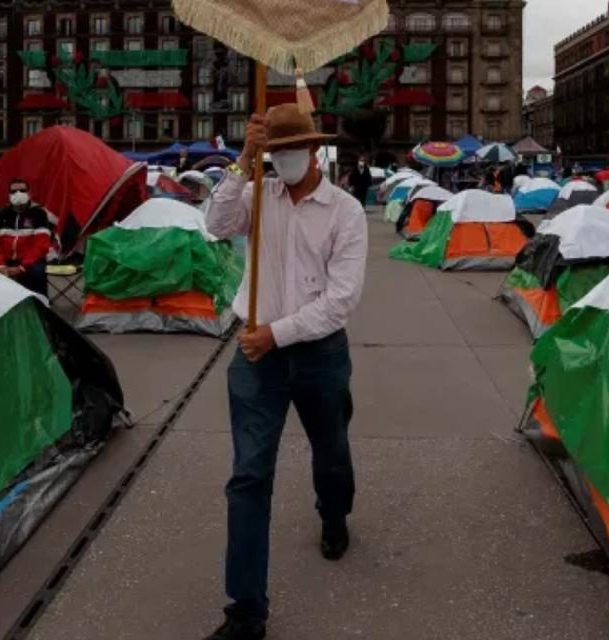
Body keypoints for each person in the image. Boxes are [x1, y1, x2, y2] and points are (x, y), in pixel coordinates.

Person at [201, 104, 368, 640]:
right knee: (248, 477)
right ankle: (246, 611)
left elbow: (341, 302)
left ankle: (334, 512)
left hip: (318, 354)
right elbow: (215, 224)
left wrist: (278, 332)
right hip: (256, 358)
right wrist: (242, 158)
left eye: (291, 151)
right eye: (274, 153)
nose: (283, 161)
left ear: (314, 150)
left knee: (332, 452)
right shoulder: (257, 194)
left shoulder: (345, 212)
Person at [0, 178, 57, 296]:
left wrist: (22, 267)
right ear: (9, 194)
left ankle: (40, 307)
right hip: (6, 260)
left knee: (37, 273)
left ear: (28, 193)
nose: (18, 193)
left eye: (22, 190)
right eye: (14, 191)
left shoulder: (38, 213)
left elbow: (41, 246)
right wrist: (1, 265)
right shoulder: (0, 215)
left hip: (30, 261)